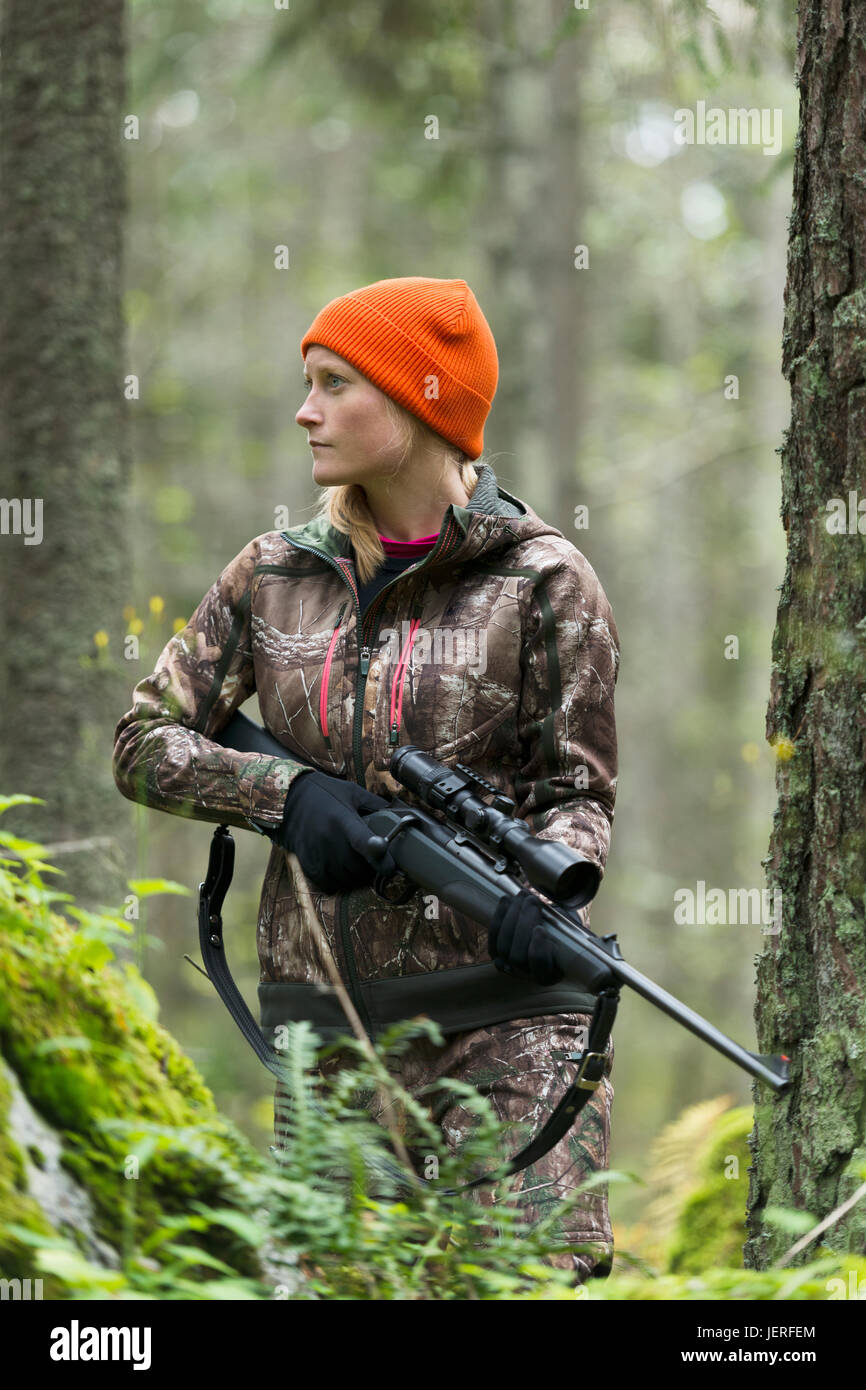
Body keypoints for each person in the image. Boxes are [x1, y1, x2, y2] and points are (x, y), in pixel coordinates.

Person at [113, 275, 621, 1284]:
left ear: (418, 399)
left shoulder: (543, 579)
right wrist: (282, 797)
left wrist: (544, 886)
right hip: (328, 1040)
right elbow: (142, 739)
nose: (305, 409)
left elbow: (578, 789)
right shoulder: (271, 574)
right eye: (308, 382)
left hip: (509, 1032)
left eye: (333, 382)